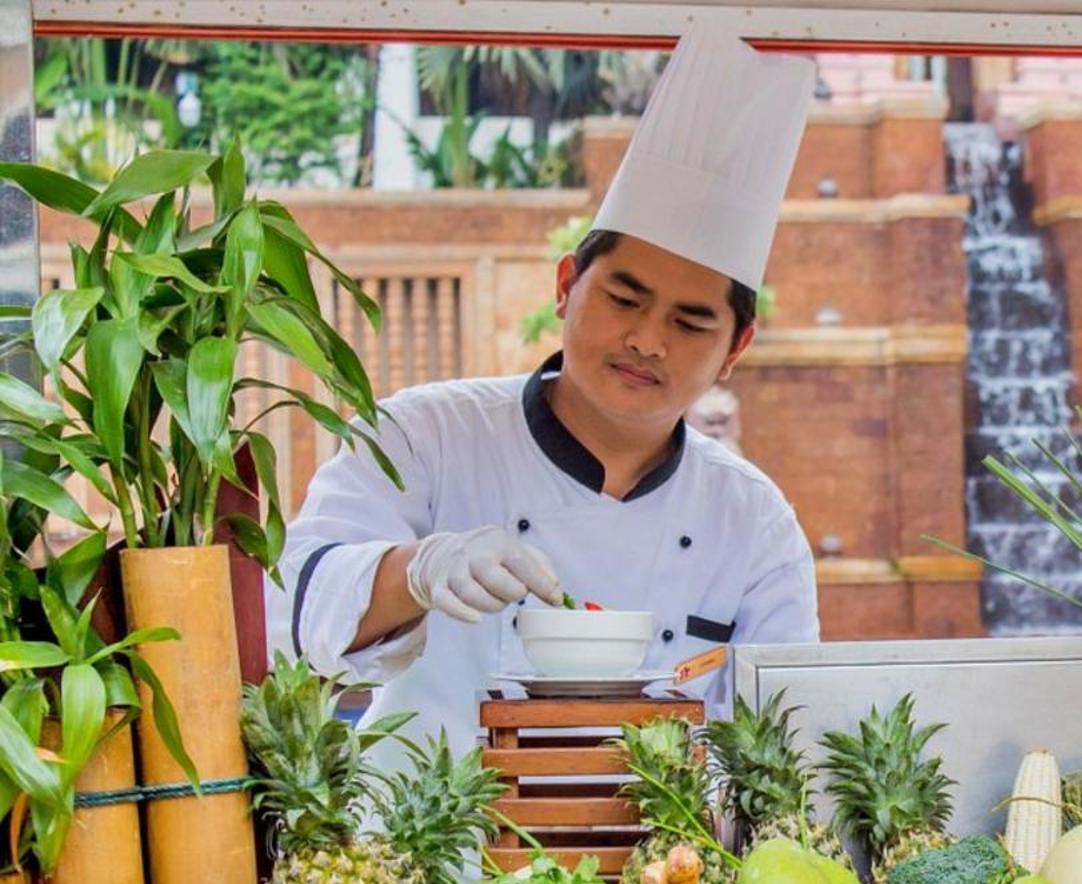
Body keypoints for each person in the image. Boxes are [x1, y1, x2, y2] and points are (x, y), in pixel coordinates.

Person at [269, 24, 818, 754]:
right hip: (426, 858)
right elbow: (289, 614)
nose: (648, 340)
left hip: (665, 866)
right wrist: (420, 570)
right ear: (566, 286)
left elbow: (786, 739)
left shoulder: (754, 525)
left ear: (734, 350)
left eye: (690, 323)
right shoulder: (423, 436)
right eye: (624, 299)